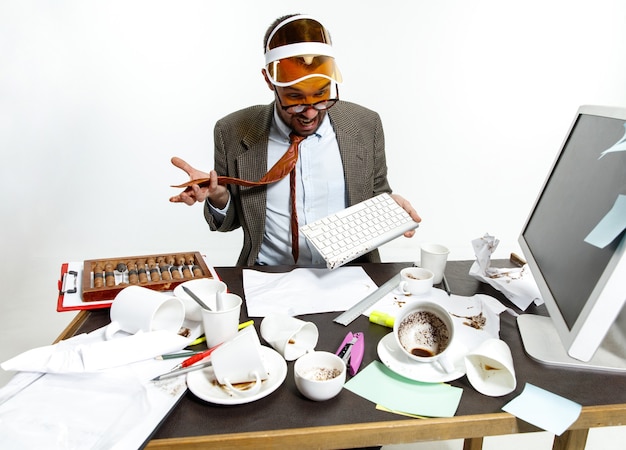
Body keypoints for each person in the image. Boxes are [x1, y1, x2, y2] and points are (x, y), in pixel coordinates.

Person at [170, 14, 421, 266]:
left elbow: (376, 198)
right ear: (269, 80)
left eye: (321, 95)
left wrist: (390, 210)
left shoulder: (365, 124)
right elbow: (230, 221)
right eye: (295, 98)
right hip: (267, 276)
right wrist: (219, 197)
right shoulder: (232, 130)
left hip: (351, 275)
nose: (310, 112)